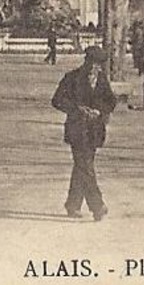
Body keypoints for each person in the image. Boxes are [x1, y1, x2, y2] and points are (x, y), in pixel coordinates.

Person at [50, 46, 118, 221]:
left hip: (94, 130)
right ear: (87, 62)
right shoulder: (71, 78)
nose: (98, 69)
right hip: (77, 129)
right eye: (95, 65)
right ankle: (97, 206)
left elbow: (111, 101)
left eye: (100, 66)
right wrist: (77, 109)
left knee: (82, 167)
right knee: (85, 165)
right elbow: (57, 100)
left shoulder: (102, 80)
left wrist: (99, 111)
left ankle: (72, 204)